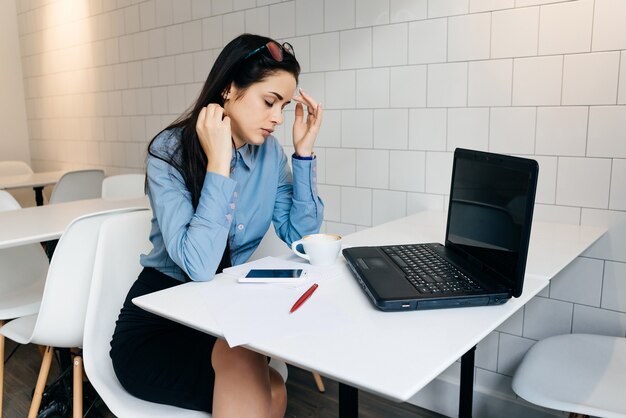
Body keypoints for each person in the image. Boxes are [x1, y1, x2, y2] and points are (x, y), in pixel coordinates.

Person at [110, 33, 324, 417]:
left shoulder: (270, 155)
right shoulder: (169, 152)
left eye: (284, 106)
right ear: (228, 89)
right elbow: (199, 265)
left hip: (215, 313)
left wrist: (303, 154)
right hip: (160, 319)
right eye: (269, 102)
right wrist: (219, 163)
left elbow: (301, 238)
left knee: (273, 389)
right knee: (260, 383)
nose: (277, 117)